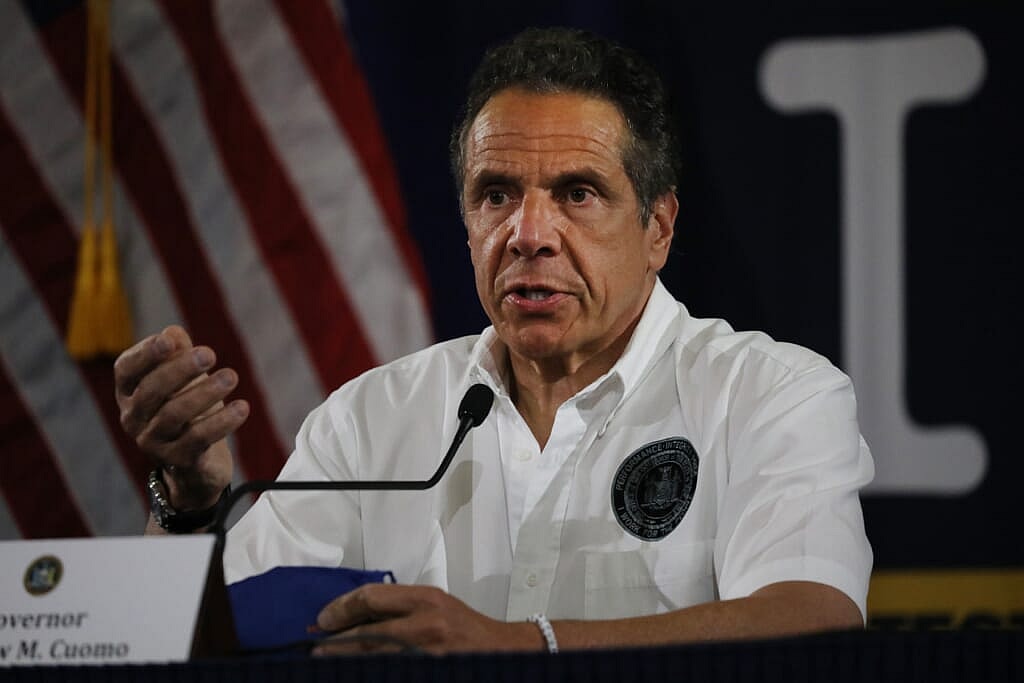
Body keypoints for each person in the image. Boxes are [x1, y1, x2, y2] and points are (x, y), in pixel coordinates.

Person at [115, 27, 872, 654]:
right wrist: (188, 506)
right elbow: (199, 642)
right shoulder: (370, 418)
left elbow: (813, 619)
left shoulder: (770, 394)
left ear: (658, 228)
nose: (528, 233)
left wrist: (518, 645)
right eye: (497, 194)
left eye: (577, 193)